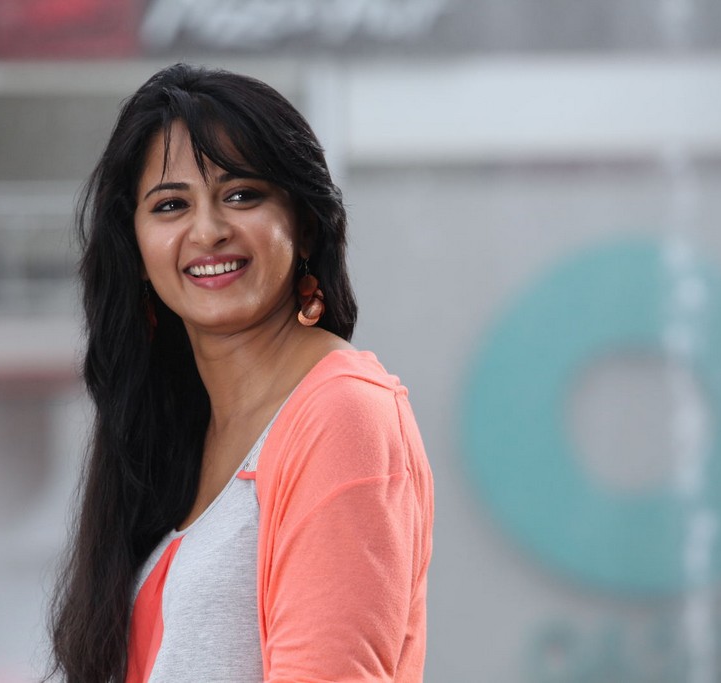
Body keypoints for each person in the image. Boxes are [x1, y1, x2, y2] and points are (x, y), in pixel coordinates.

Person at [48, 63, 433, 683]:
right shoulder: (183, 429)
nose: (208, 231)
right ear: (137, 251)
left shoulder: (340, 413)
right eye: (171, 205)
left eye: (241, 195)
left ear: (304, 225)